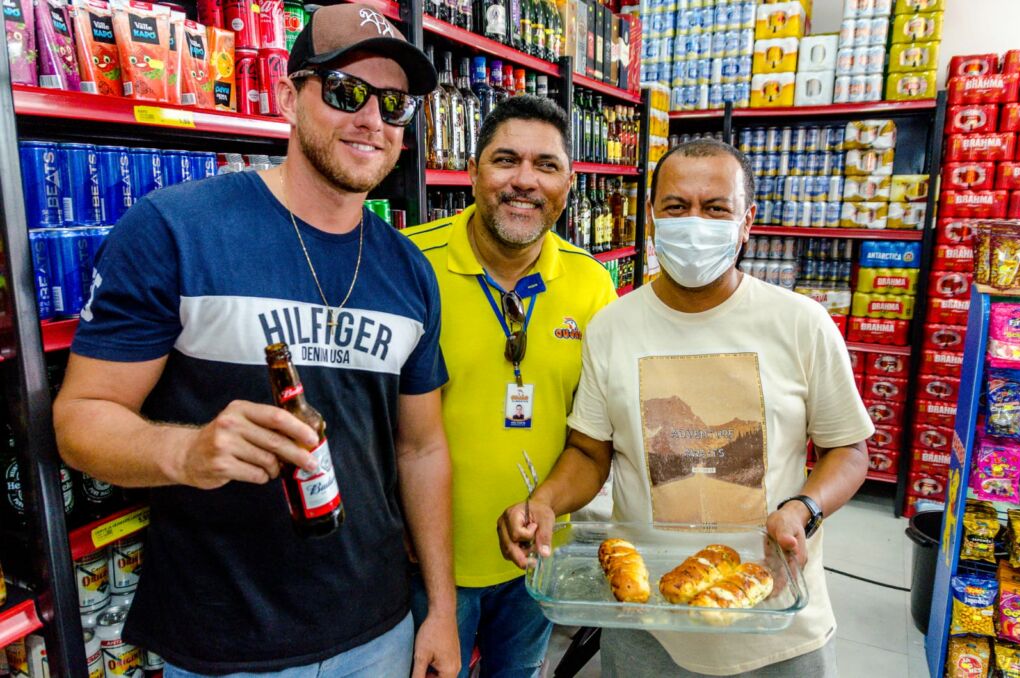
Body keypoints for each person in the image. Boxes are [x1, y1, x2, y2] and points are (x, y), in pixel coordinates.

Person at [52, 6, 459, 677]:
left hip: (379, 628)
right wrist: (187, 451)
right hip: (224, 642)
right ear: (286, 94)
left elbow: (422, 448)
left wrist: (439, 609)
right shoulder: (174, 230)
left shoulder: (410, 270)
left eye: (394, 106)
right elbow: (79, 420)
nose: (372, 121)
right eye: (346, 92)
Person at [497, 138, 873, 677]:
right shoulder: (613, 326)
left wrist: (803, 509)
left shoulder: (800, 324)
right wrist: (545, 502)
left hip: (777, 627)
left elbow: (849, 451)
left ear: (747, 221)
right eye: (676, 207)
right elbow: (588, 450)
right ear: (652, 219)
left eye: (716, 207)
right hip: (648, 623)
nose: (695, 222)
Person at [403, 96, 616, 677]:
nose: (525, 181)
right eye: (506, 160)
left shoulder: (594, 287)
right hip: (420, 567)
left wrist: (544, 505)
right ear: (473, 172)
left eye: (546, 165)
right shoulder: (406, 265)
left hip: (536, 560)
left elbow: (591, 441)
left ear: (569, 185)